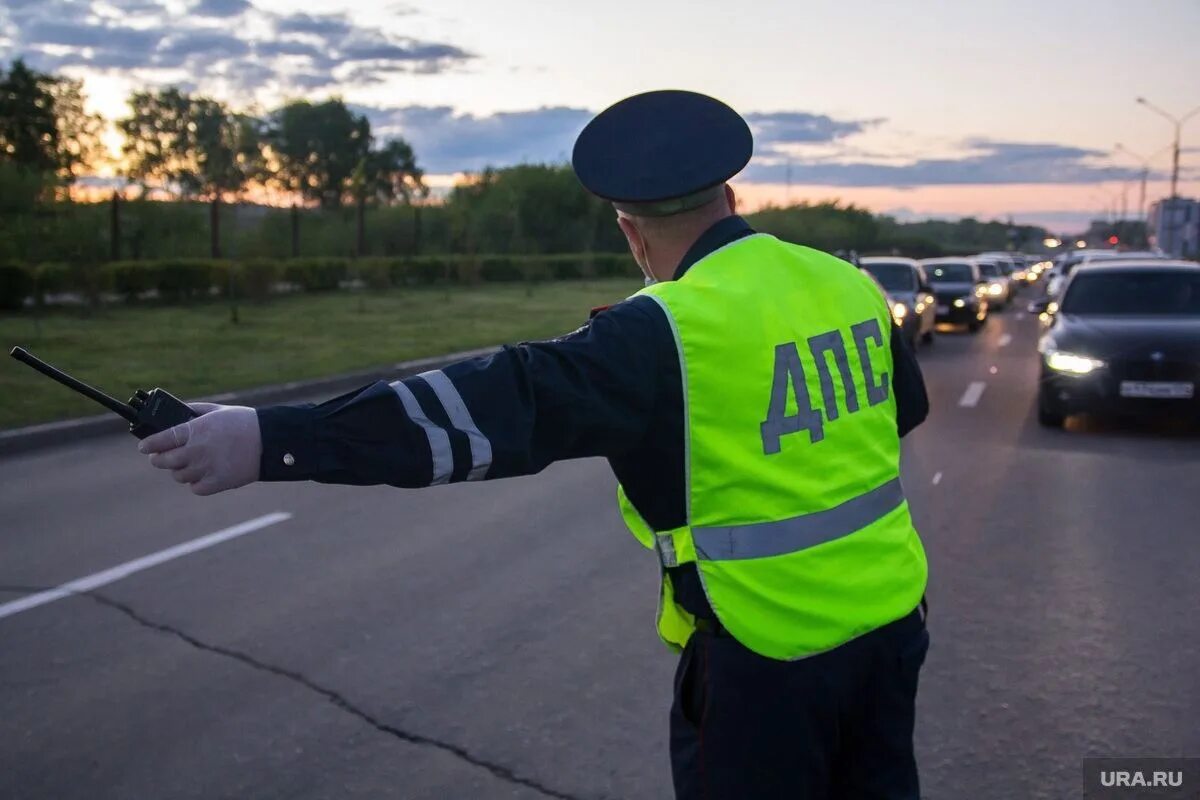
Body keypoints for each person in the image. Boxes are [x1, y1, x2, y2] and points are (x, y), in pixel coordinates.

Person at [140, 89, 931, 799]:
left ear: (631, 232)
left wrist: (270, 439)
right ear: (733, 196)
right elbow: (899, 413)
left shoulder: (661, 331)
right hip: (892, 627)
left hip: (764, 660)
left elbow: (493, 406)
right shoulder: (845, 283)